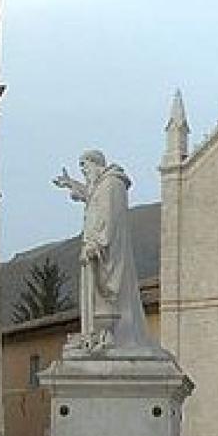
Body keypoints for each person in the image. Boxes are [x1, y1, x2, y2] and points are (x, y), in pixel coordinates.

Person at [53, 150, 150, 351]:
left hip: (105, 250)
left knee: (106, 295)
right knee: (94, 295)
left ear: (96, 163)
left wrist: (97, 242)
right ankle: (95, 334)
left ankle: (109, 335)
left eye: (85, 167)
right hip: (94, 249)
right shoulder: (102, 184)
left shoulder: (112, 184)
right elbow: (91, 195)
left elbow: (108, 215)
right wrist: (70, 184)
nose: (84, 173)